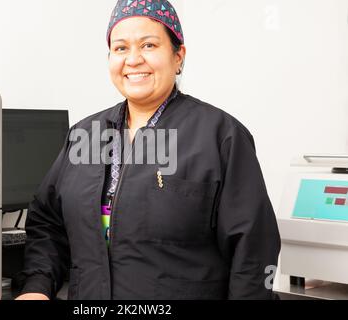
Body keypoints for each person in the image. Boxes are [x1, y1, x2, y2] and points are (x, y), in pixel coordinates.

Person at [15, 0, 281, 300]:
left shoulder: (221, 136)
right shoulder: (84, 134)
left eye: (149, 45)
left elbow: (254, 249)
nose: (133, 59)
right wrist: (37, 287)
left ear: (178, 55)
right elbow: (48, 223)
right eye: (120, 48)